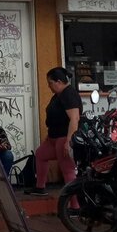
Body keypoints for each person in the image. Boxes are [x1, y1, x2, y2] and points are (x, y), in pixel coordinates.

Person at [28, 66, 82, 195]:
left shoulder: (69, 94)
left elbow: (74, 118)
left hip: (64, 137)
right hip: (53, 138)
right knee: (40, 154)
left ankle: (75, 204)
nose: (49, 86)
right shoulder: (58, 95)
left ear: (59, 82)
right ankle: (40, 187)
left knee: (67, 170)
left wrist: (69, 141)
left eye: (50, 83)